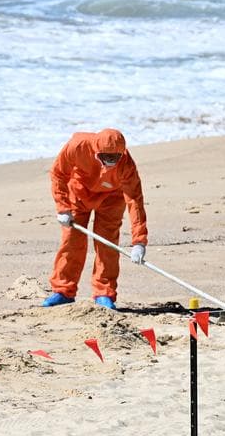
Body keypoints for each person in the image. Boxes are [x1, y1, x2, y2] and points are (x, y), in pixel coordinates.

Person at [43, 128, 148, 311]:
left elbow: (134, 201)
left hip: (111, 198)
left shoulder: (127, 165)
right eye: (105, 158)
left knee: (107, 244)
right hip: (79, 193)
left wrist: (139, 241)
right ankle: (63, 291)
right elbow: (58, 173)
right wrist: (63, 207)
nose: (110, 162)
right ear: (96, 151)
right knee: (71, 241)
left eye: (115, 158)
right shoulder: (77, 146)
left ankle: (104, 293)